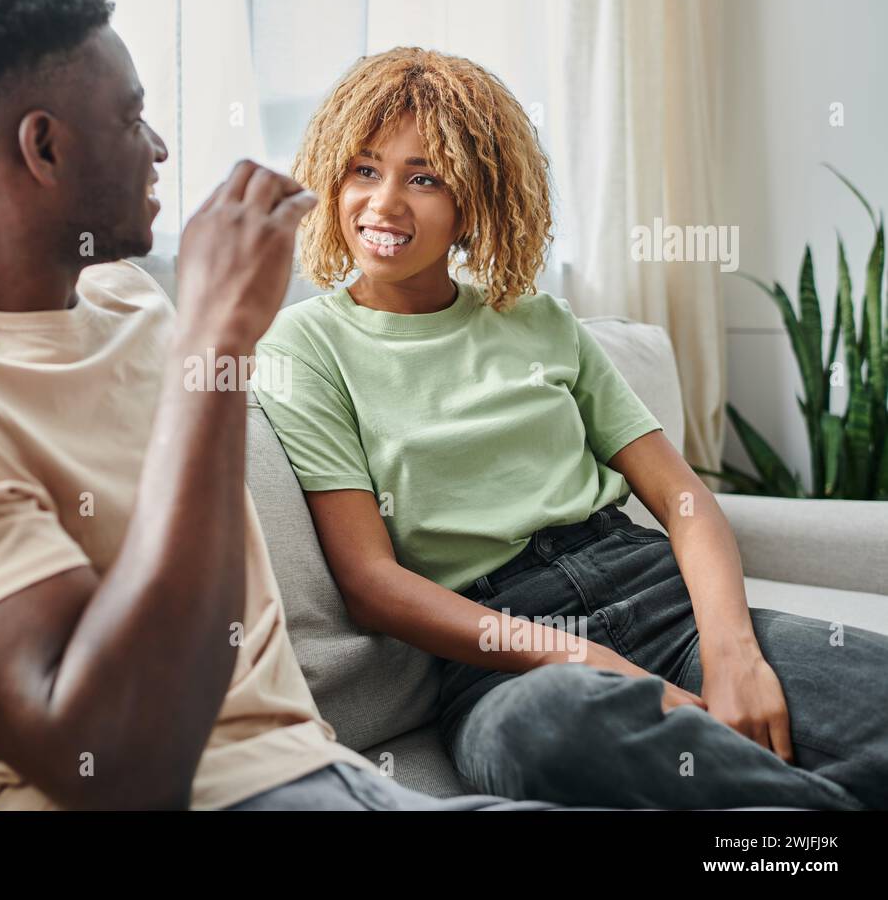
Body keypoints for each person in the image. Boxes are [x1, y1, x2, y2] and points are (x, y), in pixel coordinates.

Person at [0, 0, 574, 812]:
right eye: (132, 119)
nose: (159, 148)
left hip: (329, 776)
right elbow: (116, 767)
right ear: (44, 146)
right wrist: (214, 342)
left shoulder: (130, 301)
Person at [250, 47, 888, 810]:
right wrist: (587, 659)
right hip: (501, 657)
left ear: (474, 197)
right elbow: (374, 585)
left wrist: (732, 651)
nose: (384, 204)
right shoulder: (304, 344)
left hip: (654, 594)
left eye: (424, 177)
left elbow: (682, 498)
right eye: (363, 169)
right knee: (544, 735)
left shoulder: (539, 319)